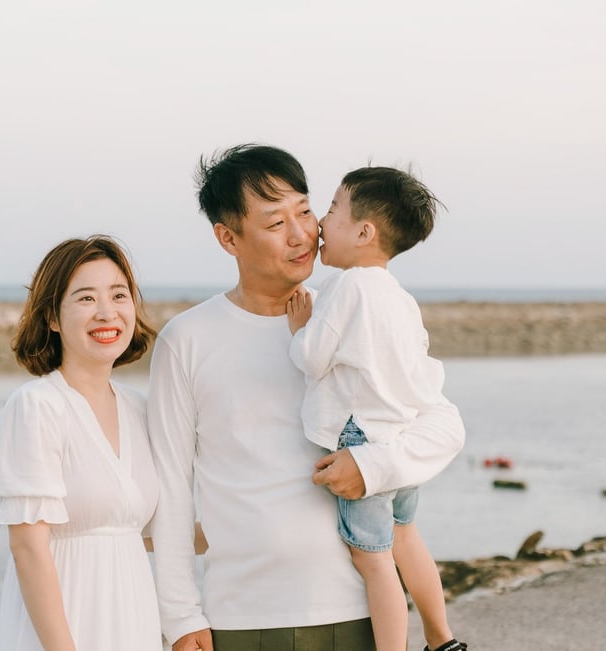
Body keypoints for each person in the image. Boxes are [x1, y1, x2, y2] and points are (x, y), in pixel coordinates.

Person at [147, 144, 465, 651]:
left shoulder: (352, 312)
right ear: (228, 238)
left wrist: (371, 465)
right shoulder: (187, 340)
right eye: (276, 223)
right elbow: (170, 487)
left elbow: (443, 425)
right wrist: (181, 617)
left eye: (306, 211)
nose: (302, 234)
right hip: (241, 618)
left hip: (359, 611)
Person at [286, 167, 465, 651]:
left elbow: (312, 359)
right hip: (400, 433)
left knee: (373, 559)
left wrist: (300, 328)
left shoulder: (346, 287)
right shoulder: (400, 297)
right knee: (406, 538)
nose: (321, 222)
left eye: (332, 210)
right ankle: (442, 638)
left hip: (362, 440)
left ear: (364, 232)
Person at [0, 235, 162, 651]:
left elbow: (146, 534)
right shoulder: (38, 406)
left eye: (118, 295)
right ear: (52, 317)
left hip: (133, 622)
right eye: (86, 298)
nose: (106, 312)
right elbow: (28, 547)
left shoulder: (140, 409)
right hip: (66, 631)